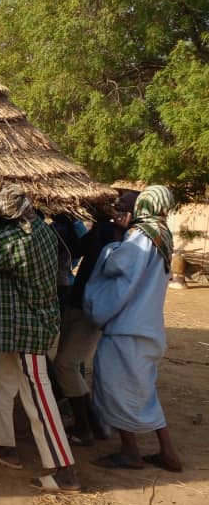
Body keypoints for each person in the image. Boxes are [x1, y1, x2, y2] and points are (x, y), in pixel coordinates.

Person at [0, 184, 79, 492]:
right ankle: (0, 446)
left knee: (39, 399)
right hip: (24, 327)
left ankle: (64, 471)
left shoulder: (15, 241)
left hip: (28, 329)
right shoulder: (39, 228)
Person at [87, 185, 183, 472]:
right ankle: (168, 453)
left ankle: (130, 452)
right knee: (144, 393)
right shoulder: (164, 235)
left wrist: (116, 238)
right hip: (149, 328)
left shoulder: (141, 237)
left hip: (128, 329)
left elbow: (119, 265)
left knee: (114, 388)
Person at [52, 190, 138, 446]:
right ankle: (92, 424)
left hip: (93, 308)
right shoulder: (106, 231)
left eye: (118, 203)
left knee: (66, 364)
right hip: (81, 303)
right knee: (63, 362)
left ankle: (86, 426)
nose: (111, 206)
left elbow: (113, 266)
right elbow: (78, 249)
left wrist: (117, 234)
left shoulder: (126, 239)